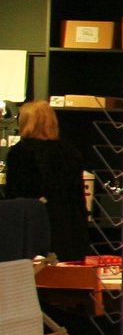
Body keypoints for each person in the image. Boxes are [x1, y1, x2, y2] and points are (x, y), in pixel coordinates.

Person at [4, 101, 90, 260]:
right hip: (70, 227)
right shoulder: (70, 152)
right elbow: (77, 195)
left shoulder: (21, 153)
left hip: (34, 227)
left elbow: (15, 195)